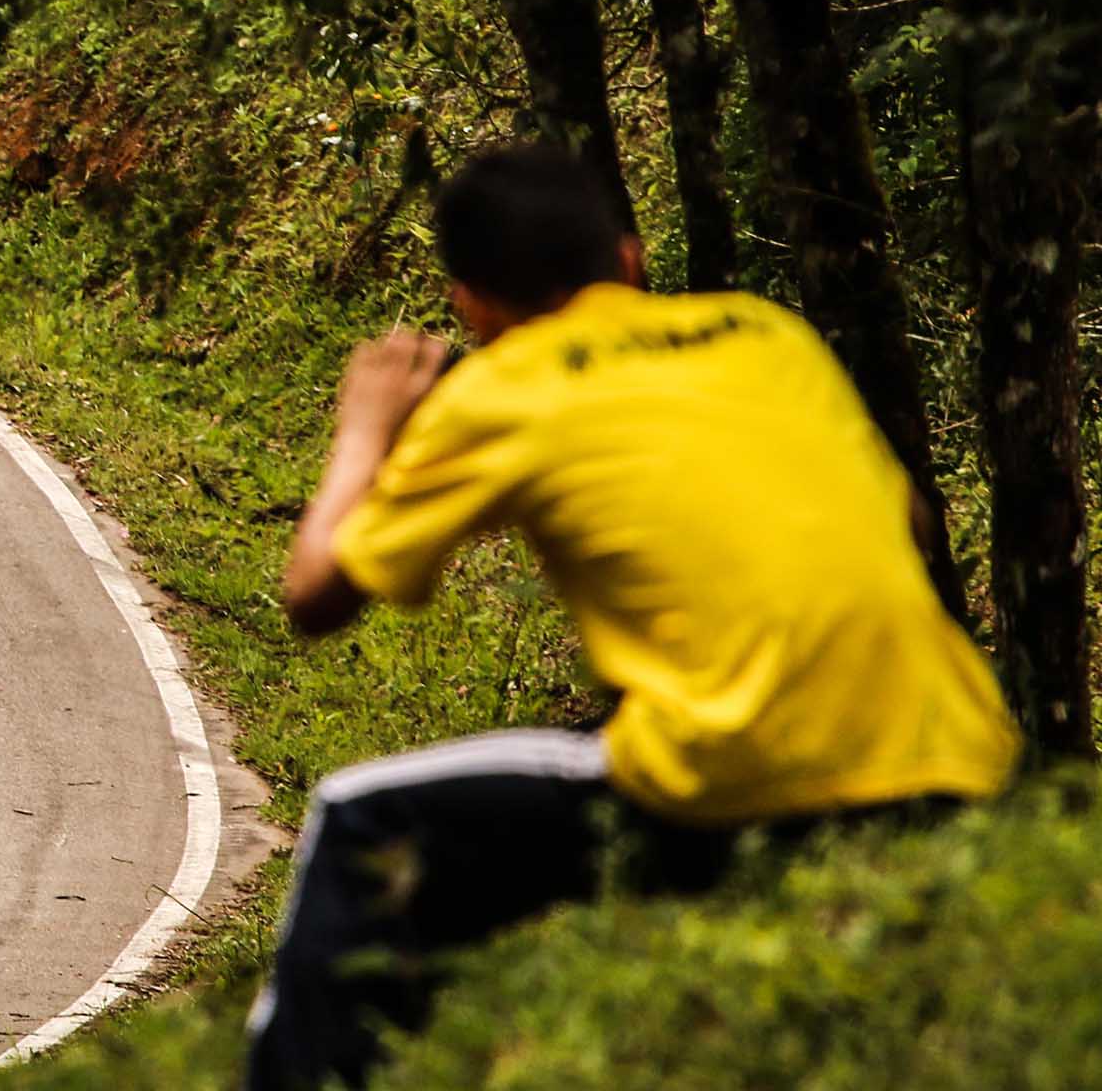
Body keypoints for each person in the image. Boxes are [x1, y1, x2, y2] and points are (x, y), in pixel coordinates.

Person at [248, 142, 1018, 1091]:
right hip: (952, 749)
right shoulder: (763, 334)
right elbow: (904, 518)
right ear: (630, 258)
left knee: (359, 822)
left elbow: (315, 596)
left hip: (731, 768)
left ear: (471, 305)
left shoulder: (504, 386)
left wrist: (366, 427)